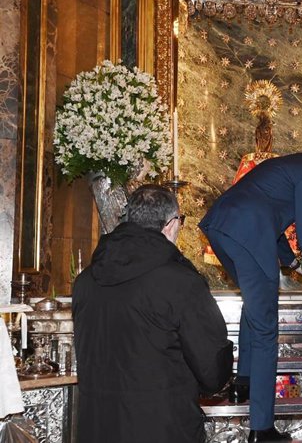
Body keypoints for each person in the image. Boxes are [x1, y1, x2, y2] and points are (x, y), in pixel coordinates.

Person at [199, 128, 302, 442]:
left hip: (222, 227)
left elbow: (270, 216)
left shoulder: (286, 167)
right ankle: (261, 428)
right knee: (266, 326)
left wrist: (292, 264)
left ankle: (244, 381)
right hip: (249, 234)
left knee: (256, 307)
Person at [72, 185, 234, 443]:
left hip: (98, 427)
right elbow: (212, 368)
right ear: (170, 224)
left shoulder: (85, 281)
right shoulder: (181, 282)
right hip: (163, 428)